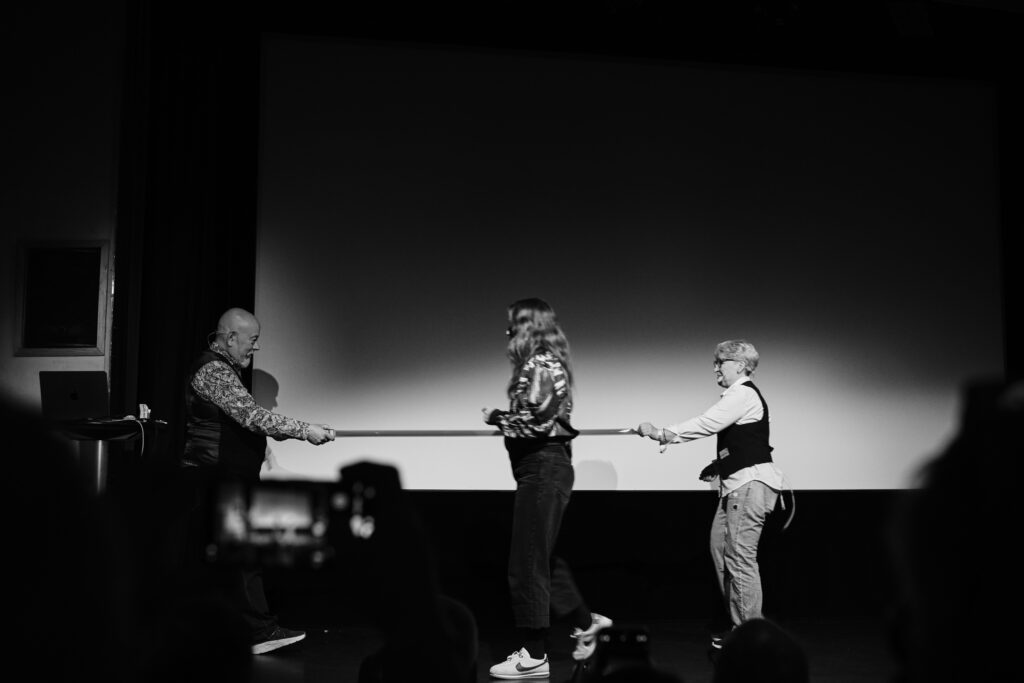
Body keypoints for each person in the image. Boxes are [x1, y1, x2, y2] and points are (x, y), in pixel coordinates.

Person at [175, 307, 335, 655]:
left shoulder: (222, 368)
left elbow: (241, 420)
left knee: (227, 558)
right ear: (230, 338)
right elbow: (252, 415)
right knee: (241, 555)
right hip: (215, 476)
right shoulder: (214, 370)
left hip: (220, 475)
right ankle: (257, 632)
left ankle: (228, 633)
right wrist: (305, 430)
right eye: (253, 340)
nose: (256, 348)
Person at [482, 297, 612, 679]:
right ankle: (589, 622)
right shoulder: (541, 361)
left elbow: (537, 422)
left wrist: (498, 417)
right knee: (541, 558)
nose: (507, 332)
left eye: (512, 324)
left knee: (526, 563)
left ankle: (534, 655)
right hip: (538, 470)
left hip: (543, 468)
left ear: (527, 325)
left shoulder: (541, 361)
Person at [636, 340, 787, 651]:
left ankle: (752, 639)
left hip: (749, 484)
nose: (716, 367)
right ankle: (742, 627)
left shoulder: (742, 393)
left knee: (740, 558)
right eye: (716, 361)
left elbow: (708, 423)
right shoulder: (739, 396)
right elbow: (742, 438)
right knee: (720, 548)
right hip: (736, 485)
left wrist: (663, 433)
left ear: (741, 366)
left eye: (722, 361)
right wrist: (720, 463)